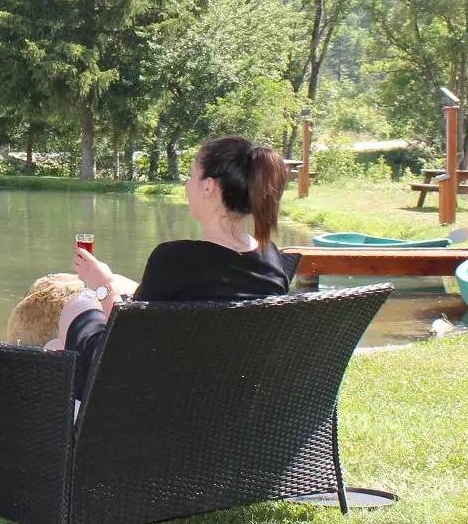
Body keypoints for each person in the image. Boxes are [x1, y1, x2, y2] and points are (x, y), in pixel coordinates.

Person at [51, 134, 292, 396]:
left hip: (155, 395)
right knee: (55, 345)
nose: (187, 186)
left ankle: (68, 415)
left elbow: (126, 340)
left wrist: (102, 285)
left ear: (208, 187)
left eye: (191, 177)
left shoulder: (174, 260)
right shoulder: (271, 259)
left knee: (78, 306)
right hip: (225, 393)